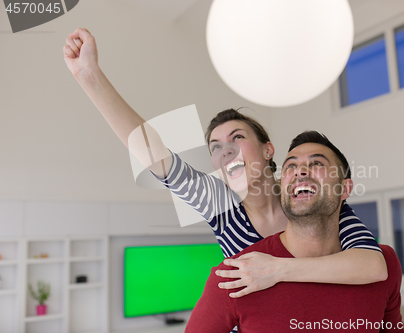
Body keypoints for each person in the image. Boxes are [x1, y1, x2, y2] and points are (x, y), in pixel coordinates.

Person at [62, 28, 387, 299]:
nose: (225, 152)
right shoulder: (219, 203)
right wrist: (89, 75)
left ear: (268, 150)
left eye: (237, 139)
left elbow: (373, 266)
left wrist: (277, 270)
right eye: (215, 148)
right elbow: (153, 152)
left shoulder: (308, 199)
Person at [186, 131, 404, 333]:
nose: (300, 171)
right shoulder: (239, 274)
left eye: (317, 163)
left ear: (345, 189)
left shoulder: (385, 264)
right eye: (290, 166)